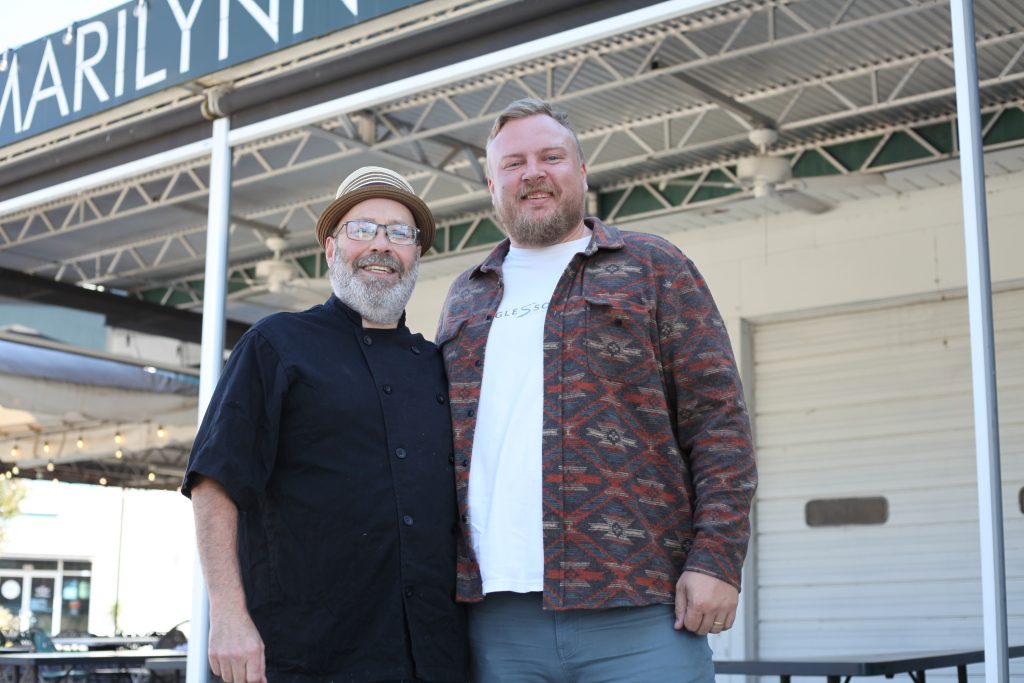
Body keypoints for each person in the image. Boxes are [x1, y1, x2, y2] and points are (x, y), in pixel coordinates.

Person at [436, 99, 757, 682]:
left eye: (550, 156)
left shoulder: (653, 266)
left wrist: (718, 558)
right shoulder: (466, 295)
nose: (532, 172)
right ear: (492, 184)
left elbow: (719, 421)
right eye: (513, 163)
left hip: (638, 608)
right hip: (495, 616)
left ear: (581, 172)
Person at [183, 166, 467, 683]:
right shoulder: (276, 345)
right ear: (331, 249)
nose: (381, 246)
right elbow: (214, 481)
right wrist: (225, 613)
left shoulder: (437, 365)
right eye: (362, 229)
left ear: (416, 256)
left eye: (399, 234)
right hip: (307, 654)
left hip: (433, 655)